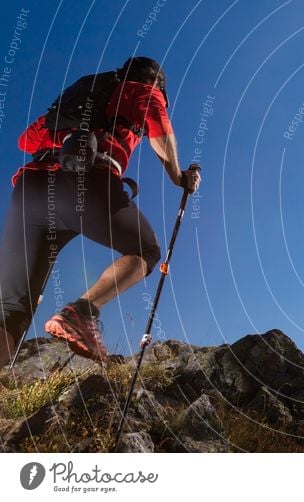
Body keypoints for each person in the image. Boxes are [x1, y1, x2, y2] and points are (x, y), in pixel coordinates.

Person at [0, 57, 200, 365]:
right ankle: (80, 313)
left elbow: (25, 140)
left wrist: (72, 128)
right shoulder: (141, 90)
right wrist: (180, 178)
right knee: (145, 250)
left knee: (12, 311)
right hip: (85, 185)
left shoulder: (75, 100)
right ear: (155, 82)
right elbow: (159, 128)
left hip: (30, 191)